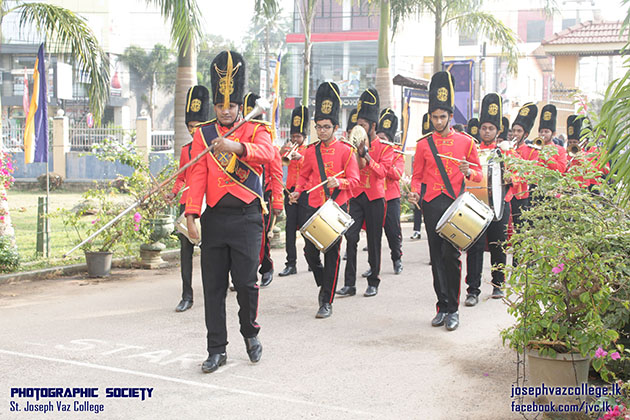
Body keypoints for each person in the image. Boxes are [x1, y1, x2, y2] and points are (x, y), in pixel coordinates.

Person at [184, 51, 275, 373]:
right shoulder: (203, 133)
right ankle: (216, 349)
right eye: (221, 106)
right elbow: (196, 175)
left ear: (239, 106)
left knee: (247, 284)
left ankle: (250, 334)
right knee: (213, 288)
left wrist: (235, 147)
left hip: (248, 217)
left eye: (231, 106)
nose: (225, 111)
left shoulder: (255, 128)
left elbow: (267, 154)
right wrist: (192, 213)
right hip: (215, 218)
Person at [407, 71, 482, 331]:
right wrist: (415, 192)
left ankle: (453, 309)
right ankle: (441, 306)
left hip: (455, 205)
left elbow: (479, 173)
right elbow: (417, 176)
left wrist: (468, 171)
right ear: (429, 117)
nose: (438, 121)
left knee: (452, 256)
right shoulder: (424, 145)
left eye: (442, 117)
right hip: (431, 204)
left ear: (451, 116)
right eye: (434, 117)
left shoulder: (466, 143)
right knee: (436, 257)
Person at [289, 82, 359, 318]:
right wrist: (298, 191)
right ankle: (323, 284)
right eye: (318, 127)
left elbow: (355, 181)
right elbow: (304, 175)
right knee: (310, 252)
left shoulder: (347, 151)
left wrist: (339, 183)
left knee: (332, 253)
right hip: (312, 205)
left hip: (336, 208)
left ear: (336, 127)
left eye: (326, 127)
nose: (322, 131)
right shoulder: (310, 150)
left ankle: (326, 300)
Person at [337, 88, 394, 298]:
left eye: (363, 124)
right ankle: (349, 284)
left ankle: (373, 281)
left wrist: (367, 156)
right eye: (357, 124)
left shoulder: (385, 147)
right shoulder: (349, 146)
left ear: (372, 126)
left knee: (374, 240)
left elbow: (383, 173)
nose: (359, 128)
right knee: (350, 238)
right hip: (356, 196)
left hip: (376, 198)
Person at [464, 93, 511, 306]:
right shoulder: (471, 150)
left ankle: (498, 284)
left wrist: (511, 176)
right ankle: (472, 290)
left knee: (497, 246)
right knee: (474, 248)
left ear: (498, 131)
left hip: (500, 205)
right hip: (477, 204)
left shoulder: (506, 153)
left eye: (491, 128)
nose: (487, 131)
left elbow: (518, 176)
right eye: (484, 128)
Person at [168, 85, 209, 313]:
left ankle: (216, 288)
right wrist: (173, 192)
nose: (194, 131)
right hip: (188, 205)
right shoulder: (186, 150)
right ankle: (186, 295)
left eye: (198, 126)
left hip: (208, 206)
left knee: (211, 252)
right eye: (191, 127)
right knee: (186, 252)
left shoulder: (213, 148)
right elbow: (181, 177)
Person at [243, 92, 284, 287]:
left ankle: (266, 267)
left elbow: (276, 175)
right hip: (242, 196)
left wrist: (277, 201)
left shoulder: (269, 146)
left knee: (261, 241)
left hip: (263, 199)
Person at [279, 105, 310, 277]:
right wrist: (283, 152)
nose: (295, 140)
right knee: (290, 229)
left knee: (306, 229)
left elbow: (313, 169)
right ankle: (291, 264)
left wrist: (302, 157)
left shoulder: (309, 150)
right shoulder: (287, 149)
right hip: (289, 191)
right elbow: (278, 163)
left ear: (304, 137)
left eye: (298, 136)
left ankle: (312, 259)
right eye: (293, 136)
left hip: (305, 193)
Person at [377, 108, 403, 274]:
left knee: (393, 232)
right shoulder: (373, 151)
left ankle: (397, 258)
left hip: (391, 197)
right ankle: (374, 266)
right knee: (374, 235)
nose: (380, 141)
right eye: (378, 137)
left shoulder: (397, 153)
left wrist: (385, 165)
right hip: (376, 196)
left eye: (384, 139)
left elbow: (397, 174)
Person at [517, 104, 567, 175]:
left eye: (546, 132)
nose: (543, 134)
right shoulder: (533, 149)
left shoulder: (560, 150)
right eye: (541, 132)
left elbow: (561, 169)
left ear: (554, 134)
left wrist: (546, 156)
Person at [410, 112, 433, 241]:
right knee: (417, 208)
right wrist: (415, 190)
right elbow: (417, 172)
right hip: (423, 184)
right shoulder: (422, 144)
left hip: (434, 185)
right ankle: (416, 230)